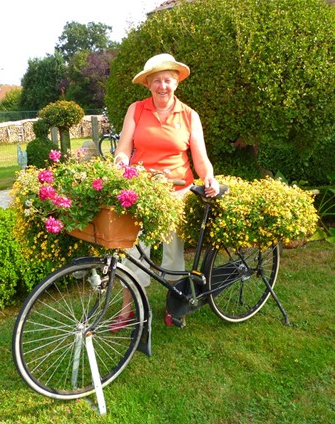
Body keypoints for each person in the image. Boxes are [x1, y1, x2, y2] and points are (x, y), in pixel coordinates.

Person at [111, 53, 220, 329]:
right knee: (133, 248)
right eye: (157, 80)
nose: (163, 86)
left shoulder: (188, 115)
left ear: (176, 83)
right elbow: (124, 147)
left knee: (173, 251)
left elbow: (200, 157)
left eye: (168, 80)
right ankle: (130, 307)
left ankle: (175, 305)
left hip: (177, 191)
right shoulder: (136, 110)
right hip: (142, 190)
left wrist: (209, 177)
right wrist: (121, 162)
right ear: (148, 84)